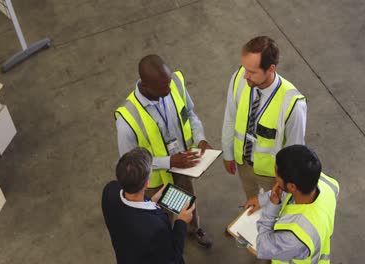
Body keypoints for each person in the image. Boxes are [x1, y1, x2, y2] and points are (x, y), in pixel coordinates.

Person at [114, 54, 212, 247]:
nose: (169, 89)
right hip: (156, 180)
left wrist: (200, 139)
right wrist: (170, 162)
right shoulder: (127, 119)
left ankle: (193, 229)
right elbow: (130, 164)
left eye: (169, 83)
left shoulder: (174, 82)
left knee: (186, 202)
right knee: (162, 216)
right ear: (146, 86)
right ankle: (168, 245)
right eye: (163, 87)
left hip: (183, 165)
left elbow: (189, 114)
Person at [222, 36, 307, 199]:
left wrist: (283, 181)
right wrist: (228, 153)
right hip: (243, 163)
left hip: (272, 176)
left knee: (273, 213)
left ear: (271, 69)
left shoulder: (293, 105)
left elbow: (295, 151)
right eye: (245, 68)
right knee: (251, 201)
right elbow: (230, 117)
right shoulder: (240, 78)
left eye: (252, 72)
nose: (245, 75)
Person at [244, 145, 340, 263]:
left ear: (292, 186)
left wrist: (271, 209)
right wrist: (263, 199)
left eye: (277, 174)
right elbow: (287, 193)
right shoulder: (325, 183)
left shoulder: (295, 237)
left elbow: (263, 246)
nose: (275, 177)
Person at [102, 147, 196, 264]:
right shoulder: (155, 228)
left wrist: (151, 201)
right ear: (147, 183)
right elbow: (173, 257)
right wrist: (181, 222)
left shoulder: (110, 191)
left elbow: (130, 210)